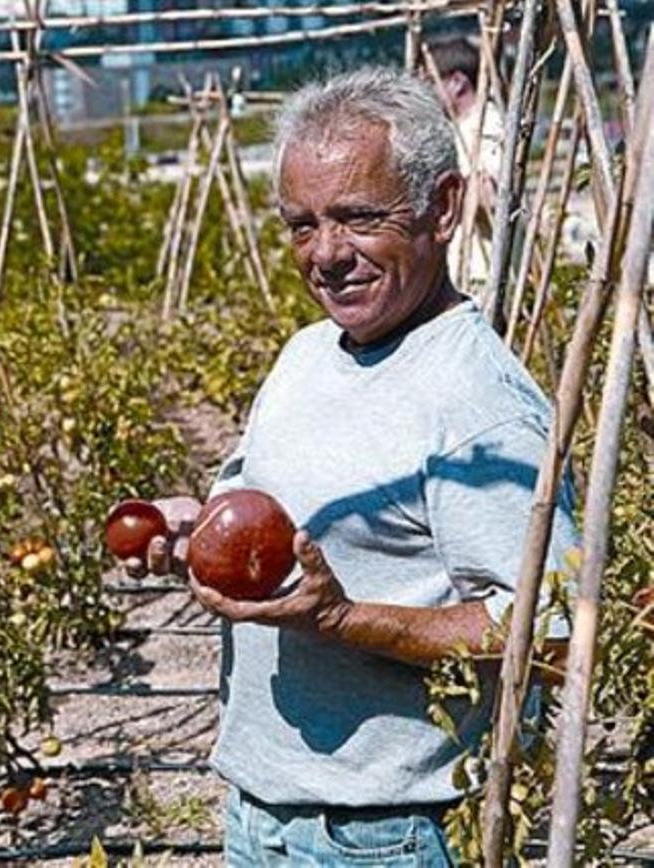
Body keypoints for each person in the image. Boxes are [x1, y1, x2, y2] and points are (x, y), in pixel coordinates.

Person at [122, 67, 577, 864]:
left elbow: (554, 634)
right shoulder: (307, 356)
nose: (327, 254)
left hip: (387, 834)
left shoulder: (476, 399)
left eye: (359, 218)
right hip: (261, 813)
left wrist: (344, 620)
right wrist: (195, 523)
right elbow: (261, 513)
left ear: (442, 208)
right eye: (303, 224)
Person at [427, 36, 503, 287]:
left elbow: (491, 194)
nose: (425, 92)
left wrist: (436, 195)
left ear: (457, 82)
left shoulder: (489, 125)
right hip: (464, 270)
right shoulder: (453, 129)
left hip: (485, 272)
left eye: (430, 82)